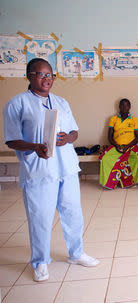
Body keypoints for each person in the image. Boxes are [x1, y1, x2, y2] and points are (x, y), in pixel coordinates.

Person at [2, 58, 99, 282]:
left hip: (66, 167)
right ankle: (40, 262)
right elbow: (11, 140)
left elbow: (74, 132)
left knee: (73, 213)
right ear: (29, 76)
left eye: (50, 75)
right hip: (39, 170)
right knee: (40, 218)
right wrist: (34, 147)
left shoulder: (61, 102)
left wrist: (68, 138)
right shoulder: (17, 104)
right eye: (41, 74)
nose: (47, 79)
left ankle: (76, 253)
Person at [99, 98, 138, 189]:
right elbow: (109, 137)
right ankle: (109, 183)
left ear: (130, 107)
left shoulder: (134, 120)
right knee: (105, 158)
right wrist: (117, 145)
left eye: (126, 105)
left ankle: (129, 182)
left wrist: (128, 146)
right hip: (116, 146)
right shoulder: (113, 119)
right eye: (122, 105)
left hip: (130, 146)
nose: (124, 107)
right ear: (119, 107)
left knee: (137, 158)